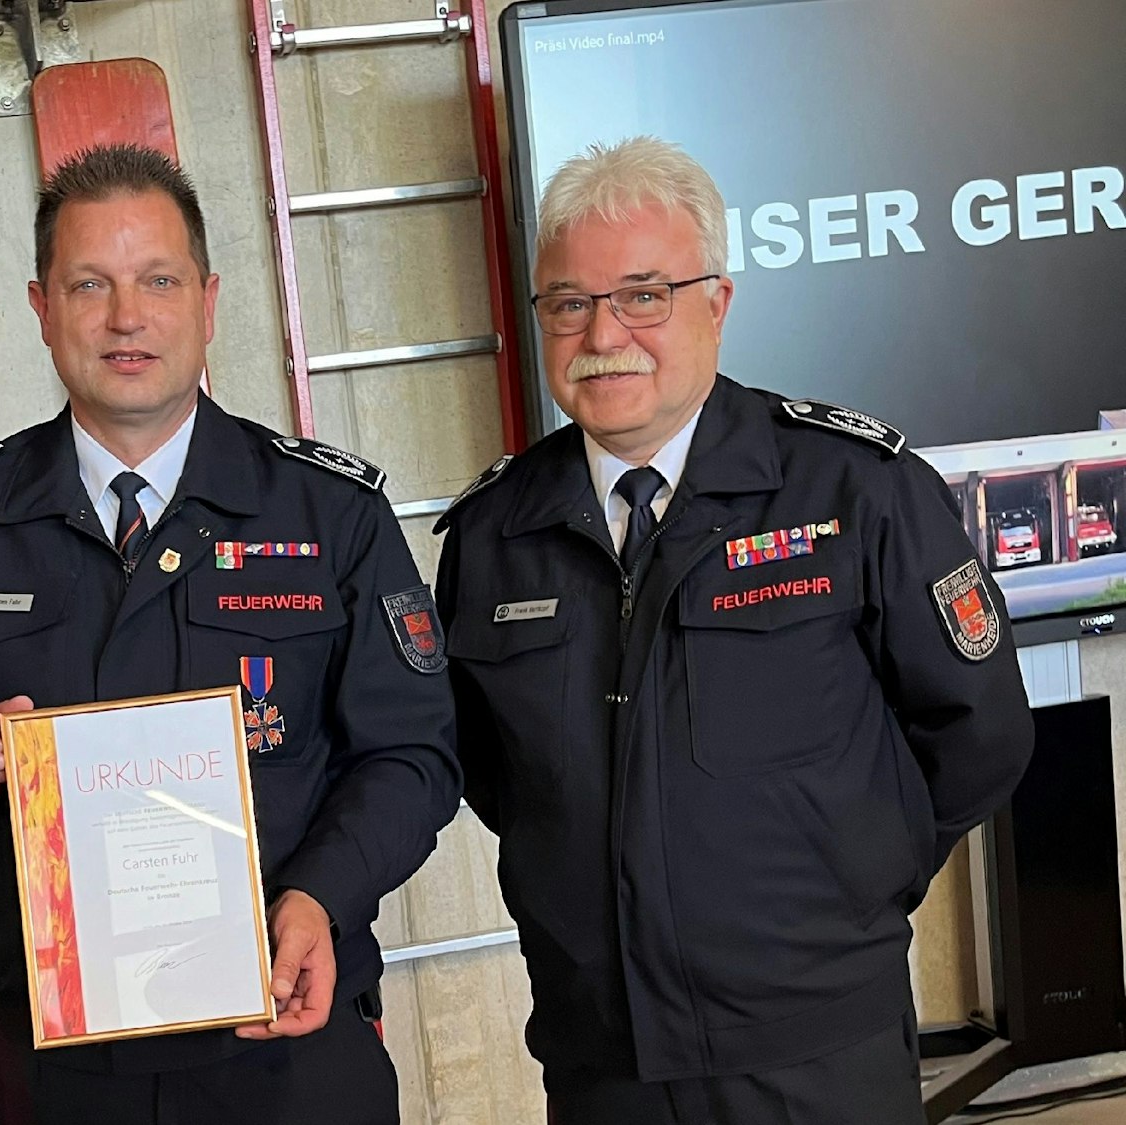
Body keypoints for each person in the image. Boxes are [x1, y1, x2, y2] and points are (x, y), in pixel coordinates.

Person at [0, 144, 459, 1124]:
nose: (125, 317)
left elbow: (412, 756)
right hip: (50, 1067)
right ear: (41, 306)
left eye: (157, 281)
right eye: (88, 284)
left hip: (283, 1042)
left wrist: (319, 897)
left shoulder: (324, 513)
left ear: (207, 302)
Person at [432, 136, 1034, 1124]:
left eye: (642, 294)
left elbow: (978, 732)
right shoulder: (495, 532)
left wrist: (851, 874)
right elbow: (502, 780)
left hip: (813, 1051)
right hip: (600, 1055)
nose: (602, 332)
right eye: (567, 303)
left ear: (715, 301)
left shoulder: (854, 491)